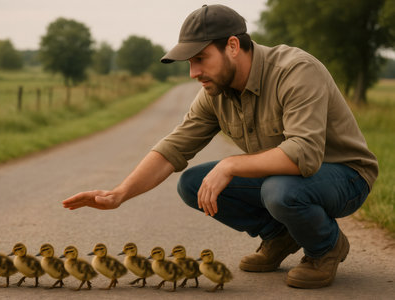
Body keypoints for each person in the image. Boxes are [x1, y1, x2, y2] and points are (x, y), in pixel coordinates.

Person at [62, 4, 378, 289]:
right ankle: (280, 235)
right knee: (192, 183)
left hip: (344, 176)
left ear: (232, 46)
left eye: (200, 59)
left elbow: (305, 155)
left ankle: (325, 247)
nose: (193, 72)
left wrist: (229, 165)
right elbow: (174, 147)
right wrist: (119, 193)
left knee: (280, 191)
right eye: (189, 62)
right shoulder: (216, 92)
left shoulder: (294, 71)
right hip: (286, 179)